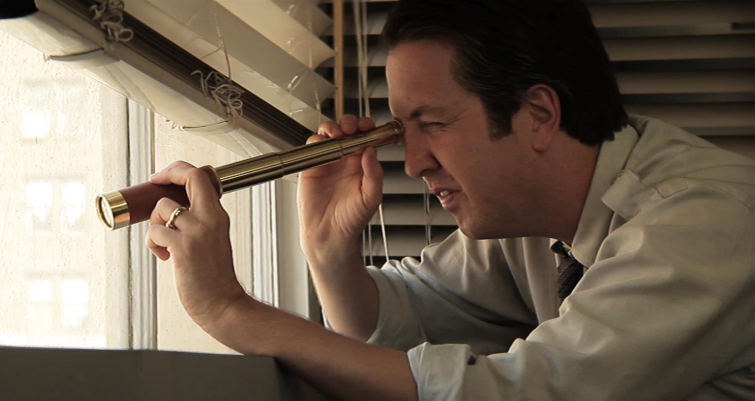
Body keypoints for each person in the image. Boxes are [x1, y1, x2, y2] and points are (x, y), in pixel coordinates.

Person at [145, 0, 755, 399]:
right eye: (401, 131)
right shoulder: (533, 220)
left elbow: (516, 394)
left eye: (433, 124)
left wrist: (229, 310)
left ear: (539, 115)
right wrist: (328, 250)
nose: (412, 164)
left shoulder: (704, 223)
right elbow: (406, 319)